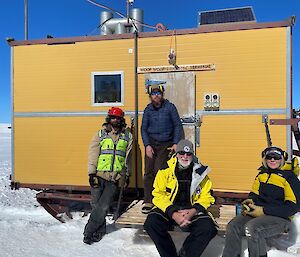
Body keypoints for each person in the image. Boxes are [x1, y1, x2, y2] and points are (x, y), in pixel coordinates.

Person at [144, 139, 218, 257]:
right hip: (169, 208)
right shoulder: (165, 169)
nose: (185, 157)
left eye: (188, 154)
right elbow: (158, 194)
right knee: (152, 223)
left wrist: (193, 211)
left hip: (191, 209)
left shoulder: (200, 172)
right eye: (181, 153)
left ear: (192, 155)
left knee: (208, 229)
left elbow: (207, 196)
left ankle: (185, 254)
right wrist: (173, 213)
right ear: (176, 154)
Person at [222, 146, 300, 257]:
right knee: (233, 225)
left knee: (253, 228)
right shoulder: (261, 175)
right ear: (265, 159)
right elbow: (254, 194)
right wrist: (250, 202)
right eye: (269, 157)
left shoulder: (289, 178)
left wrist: (264, 211)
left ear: (282, 159)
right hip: (259, 215)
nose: (272, 160)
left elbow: (292, 208)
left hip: (281, 218)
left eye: (276, 157)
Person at [83, 107, 133, 245]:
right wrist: (91, 173)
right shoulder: (100, 135)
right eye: (113, 117)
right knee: (96, 205)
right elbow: (93, 155)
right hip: (98, 176)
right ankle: (100, 230)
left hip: (114, 179)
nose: (115, 120)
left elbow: (127, 159)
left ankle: (88, 232)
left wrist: (126, 175)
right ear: (109, 119)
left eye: (117, 118)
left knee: (103, 206)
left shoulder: (128, 137)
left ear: (121, 120)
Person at [141, 80, 183, 213]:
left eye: (158, 93)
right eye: (153, 93)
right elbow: (143, 129)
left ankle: (159, 199)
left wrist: (176, 142)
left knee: (159, 170)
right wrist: (147, 145)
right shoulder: (148, 109)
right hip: (152, 144)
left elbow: (177, 125)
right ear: (150, 96)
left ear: (162, 94)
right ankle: (148, 200)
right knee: (148, 171)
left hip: (166, 144)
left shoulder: (170, 107)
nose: (156, 95)